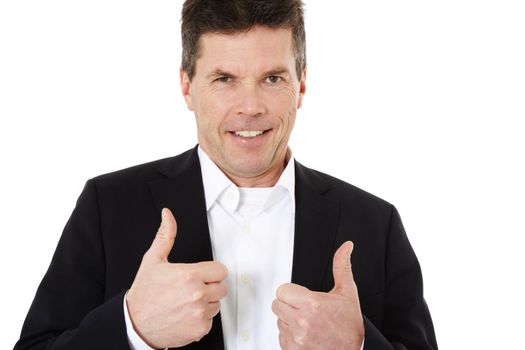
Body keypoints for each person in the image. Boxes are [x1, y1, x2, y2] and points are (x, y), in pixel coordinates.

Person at [14, 0, 438, 349]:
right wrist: (132, 327)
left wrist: (359, 346)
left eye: (272, 78)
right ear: (187, 87)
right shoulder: (108, 207)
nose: (250, 106)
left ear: (302, 85)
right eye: (224, 79)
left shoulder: (375, 222)